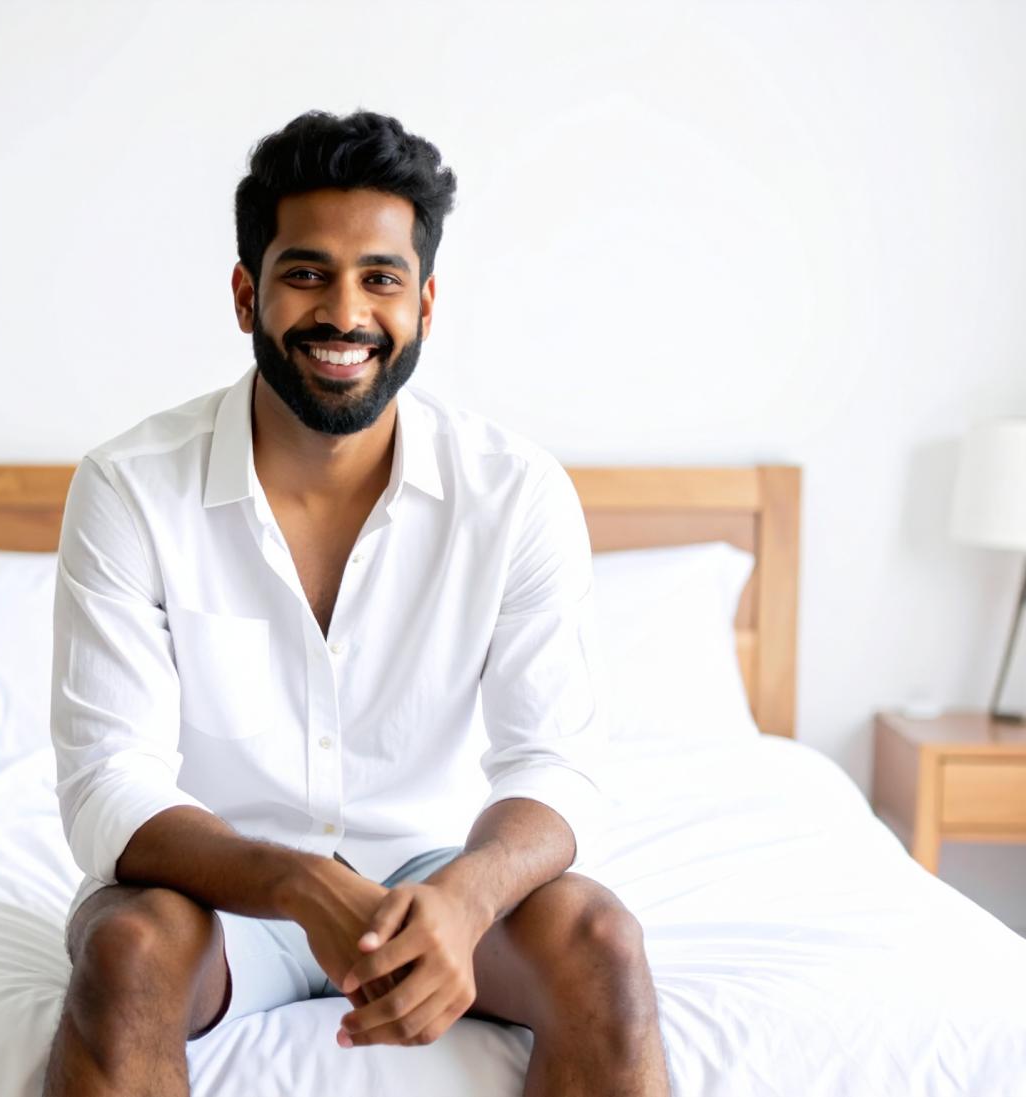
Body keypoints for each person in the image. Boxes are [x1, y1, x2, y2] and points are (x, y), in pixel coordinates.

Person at [43, 108, 670, 1097]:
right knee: (126, 949)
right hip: (219, 891)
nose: (344, 312)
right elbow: (108, 784)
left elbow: (557, 763)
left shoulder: (517, 491)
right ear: (248, 292)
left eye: (379, 278)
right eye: (306, 273)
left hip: (437, 869)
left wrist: (465, 897)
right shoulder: (130, 486)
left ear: (424, 300)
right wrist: (297, 883)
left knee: (601, 939)